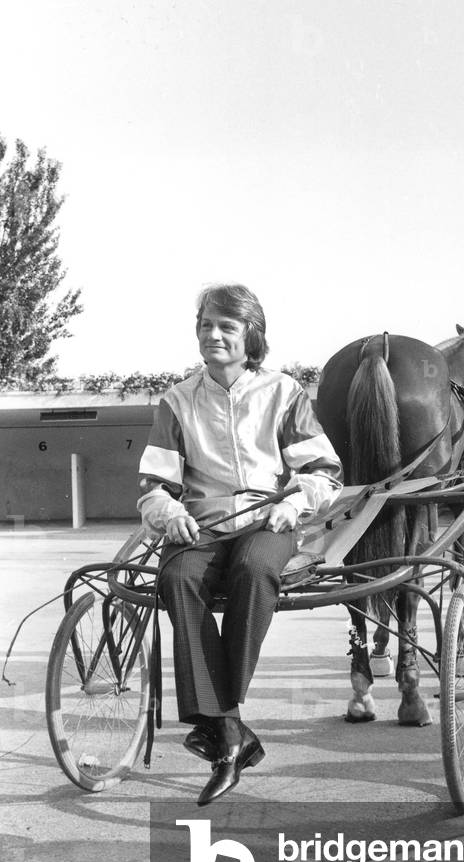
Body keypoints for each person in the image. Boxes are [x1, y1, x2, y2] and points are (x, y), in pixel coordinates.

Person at [137, 284, 342, 805]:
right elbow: (155, 485)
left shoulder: (282, 392)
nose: (213, 334)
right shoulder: (178, 400)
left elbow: (323, 472)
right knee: (177, 577)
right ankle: (231, 732)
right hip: (200, 525)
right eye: (206, 324)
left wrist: (291, 505)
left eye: (227, 326)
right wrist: (171, 512)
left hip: (266, 522)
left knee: (254, 572)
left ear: (252, 335)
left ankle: (222, 722)